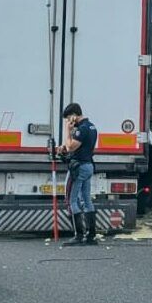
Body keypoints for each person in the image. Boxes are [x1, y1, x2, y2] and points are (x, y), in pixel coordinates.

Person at [56, 103, 98, 246]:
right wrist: (65, 147)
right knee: (87, 200)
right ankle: (91, 236)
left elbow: (70, 147)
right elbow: (79, 147)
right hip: (88, 165)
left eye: (68, 118)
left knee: (71, 200)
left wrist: (68, 131)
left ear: (74, 115)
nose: (68, 121)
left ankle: (78, 236)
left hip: (78, 168)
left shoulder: (82, 129)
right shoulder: (92, 127)